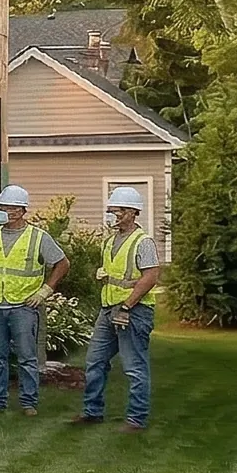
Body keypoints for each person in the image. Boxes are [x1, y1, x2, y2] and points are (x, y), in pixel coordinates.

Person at [0, 184, 67, 416]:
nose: (1, 211)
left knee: (26, 357)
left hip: (23, 307)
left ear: (20, 210)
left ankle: (28, 403)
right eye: (0, 207)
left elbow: (62, 264)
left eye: (6, 207)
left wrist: (44, 292)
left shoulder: (38, 237)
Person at [72, 185, 161, 432]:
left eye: (118, 211)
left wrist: (126, 306)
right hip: (108, 308)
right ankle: (92, 412)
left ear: (133, 212)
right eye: (112, 211)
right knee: (95, 360)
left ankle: (136, 419)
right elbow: (116, 274)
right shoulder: (110, 241)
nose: (113, 215)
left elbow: (151, 276)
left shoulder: (143, 243)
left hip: (133, 311)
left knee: (134, 366)